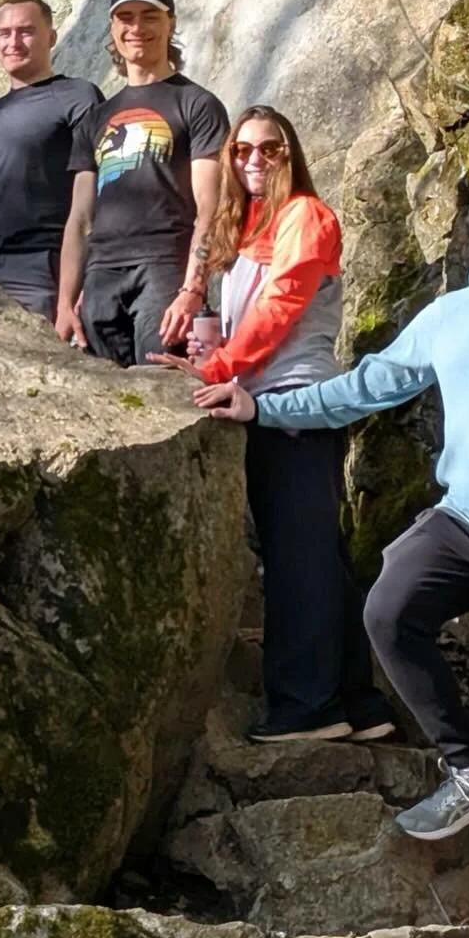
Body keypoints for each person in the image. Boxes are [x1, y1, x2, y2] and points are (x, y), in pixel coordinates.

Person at [200, 169, 469, 934]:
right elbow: (368, 385)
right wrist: (262, 407)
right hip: (463, 518)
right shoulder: (450, 315)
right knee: (388, 611)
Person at [148, 105, 393, 744]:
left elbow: (283, 305)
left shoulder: (307, 216)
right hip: (259, 399)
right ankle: (357, 702)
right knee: (319, 554)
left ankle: (305, 707)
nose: (254, 160)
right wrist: (208, 354)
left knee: (296, 560)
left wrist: (218, 366)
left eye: (270, 150)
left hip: (296, 404)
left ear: (292, 155)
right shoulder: (245, 225)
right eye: (242, 150)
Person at [55, 0, 229, 362]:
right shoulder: (95, 118)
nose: (137, 28)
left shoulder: (198, 105)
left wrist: (193, 290)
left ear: (171, 23)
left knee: (164, 386)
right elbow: (79, 220)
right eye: (126, 17)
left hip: (165, 267)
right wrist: (66, 303)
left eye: (149, 16)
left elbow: (210, 207)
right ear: (113, 28)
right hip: (102, 276)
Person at [0, 0, 102, 320]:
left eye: (26, 31)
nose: (14, 42)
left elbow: (87, 199)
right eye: (4, 33)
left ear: (50, 37)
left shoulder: (78, 96)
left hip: (43, 266)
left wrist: (71, 293)